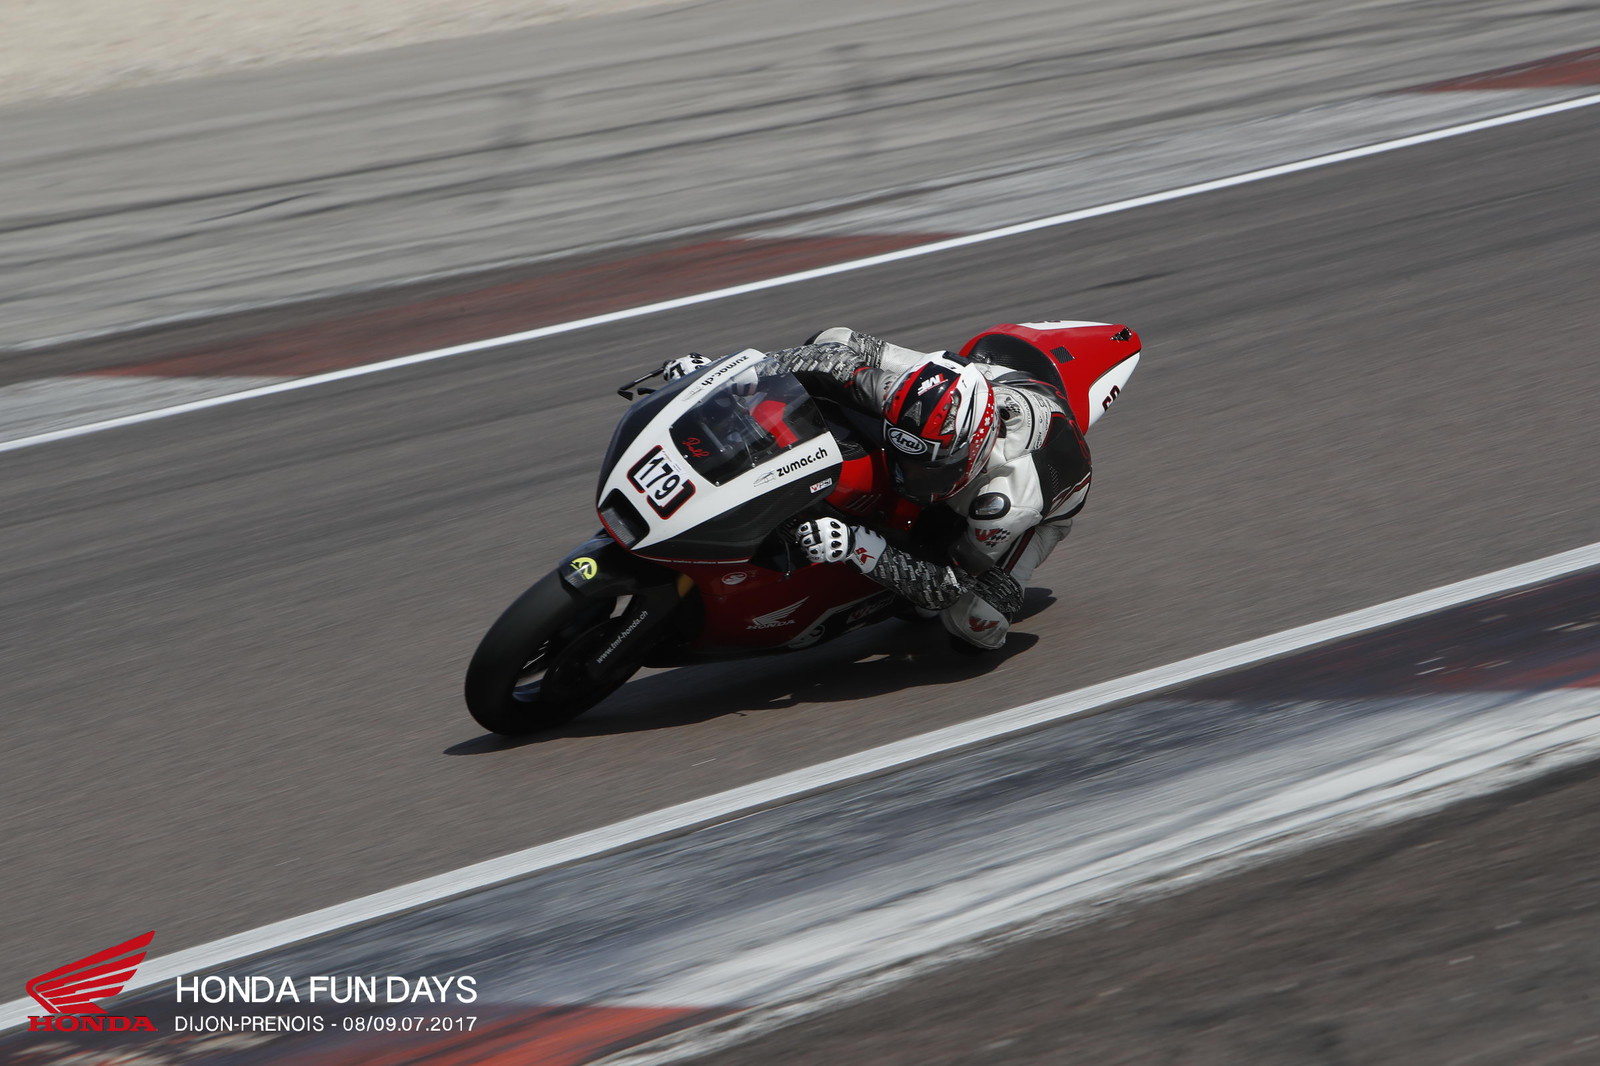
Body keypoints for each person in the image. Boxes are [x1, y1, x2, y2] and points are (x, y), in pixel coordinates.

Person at [676, 327, 1090, 650]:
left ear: (975, 449)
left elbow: (948, 585)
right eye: (905, 458)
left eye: (929, 468)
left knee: (974, 623)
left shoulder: (1005, 502)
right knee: (833, 340)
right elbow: (829, 355)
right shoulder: (895, 396)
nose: (911, 476)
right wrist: (724, 378)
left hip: (1043, 507)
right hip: (990, 380)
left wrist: (858, 546)